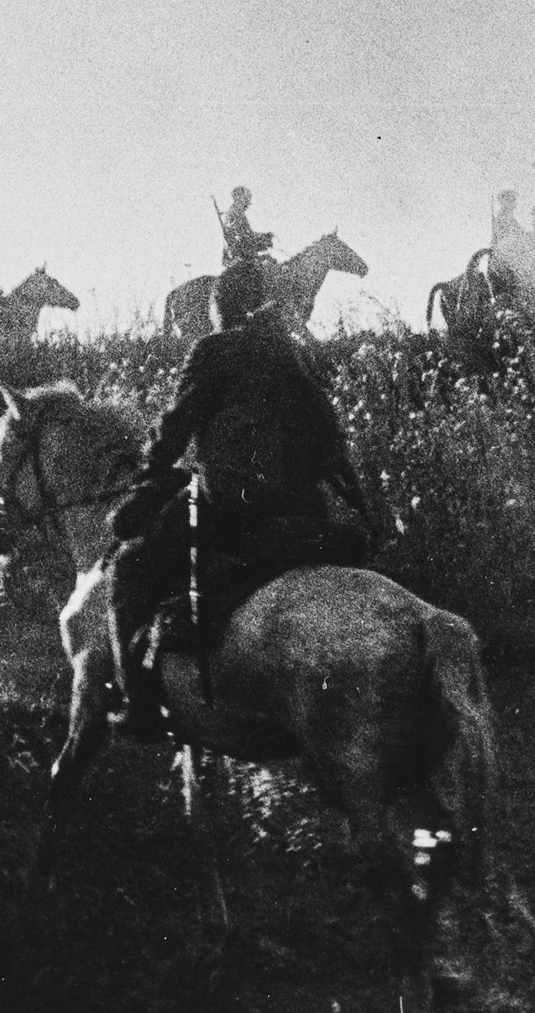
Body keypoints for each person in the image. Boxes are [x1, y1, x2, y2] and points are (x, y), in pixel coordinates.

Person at [106, 258, 376, 741]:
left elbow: (175, 429)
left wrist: (146, 476)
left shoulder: (212, 350)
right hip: (301, 508)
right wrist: (362, 506)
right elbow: (330, 439)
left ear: (220, 307)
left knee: (130, 567)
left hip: (231, 506)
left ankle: (139, 706)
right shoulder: (289, 353)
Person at [219, 186, 276, 266]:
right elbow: (243, 236)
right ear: (239, 198)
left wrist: (262, 237)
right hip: (240, 257)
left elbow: (246, 234)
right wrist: (263, 238)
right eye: (247, 199)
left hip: (240, 255)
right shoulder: (236, 214)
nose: (249, 203)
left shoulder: (235, 213)